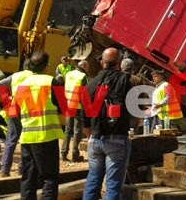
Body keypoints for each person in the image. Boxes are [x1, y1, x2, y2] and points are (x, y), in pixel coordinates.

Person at [82, 47, 132, 200]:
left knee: (93, 180)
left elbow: (84, 116)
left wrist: (91, 136)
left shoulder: (91, 84)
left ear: (102, 62)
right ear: (119, 63)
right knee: (113, 185)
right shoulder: (125, 80)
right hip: (117, 139)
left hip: (95, 138)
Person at [17, 51, 64, 200]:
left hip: (27, 138)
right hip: (46, 137)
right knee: (49, 178)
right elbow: (64, 108)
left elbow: (16, 111)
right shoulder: (52, 82)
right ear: (47, 65)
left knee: (28, 178)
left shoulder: (22, 85)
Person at [0, 60, 33, 177]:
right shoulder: (34, 76)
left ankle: (5, 169)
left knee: (11, 139)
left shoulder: (15, 76)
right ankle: (21, 169)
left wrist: (6, 100)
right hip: (28, 108)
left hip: (14, 106)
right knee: (25, 139)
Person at [61, 59, 89, 162]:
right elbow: (84, 93)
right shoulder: (83, 76)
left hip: (68, 104)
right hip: (78, 106)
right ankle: (75, 154)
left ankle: (63, 153)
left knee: (68, 130)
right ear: (84, 67)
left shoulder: (68, 74)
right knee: (77, 130)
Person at [120, 58, 146, 131]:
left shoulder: (117, 79)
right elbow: (141, 98)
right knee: (133, 134)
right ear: (132, 68)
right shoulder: (138, 80)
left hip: (120, 112)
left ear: (121, 67)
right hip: (134, 112)